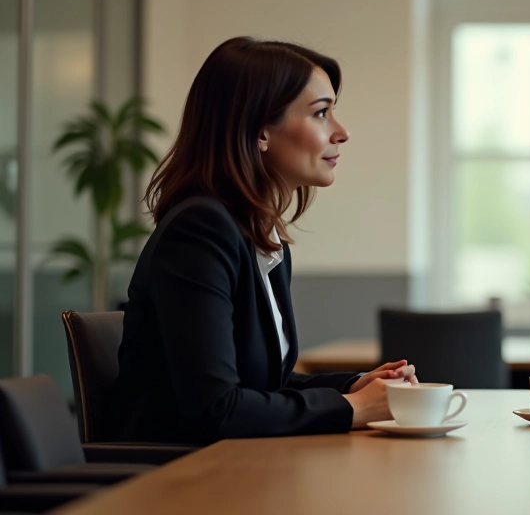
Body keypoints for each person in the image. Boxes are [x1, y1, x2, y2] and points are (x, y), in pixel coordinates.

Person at [111, 37, 416, 445]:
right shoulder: (199, 229)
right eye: (321, 113)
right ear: (259, 133)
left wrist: (355, 386)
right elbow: (216, 409)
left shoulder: (258, 236)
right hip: (179, 483)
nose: (342, 132)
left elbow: (263, 383)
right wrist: (355, 409)